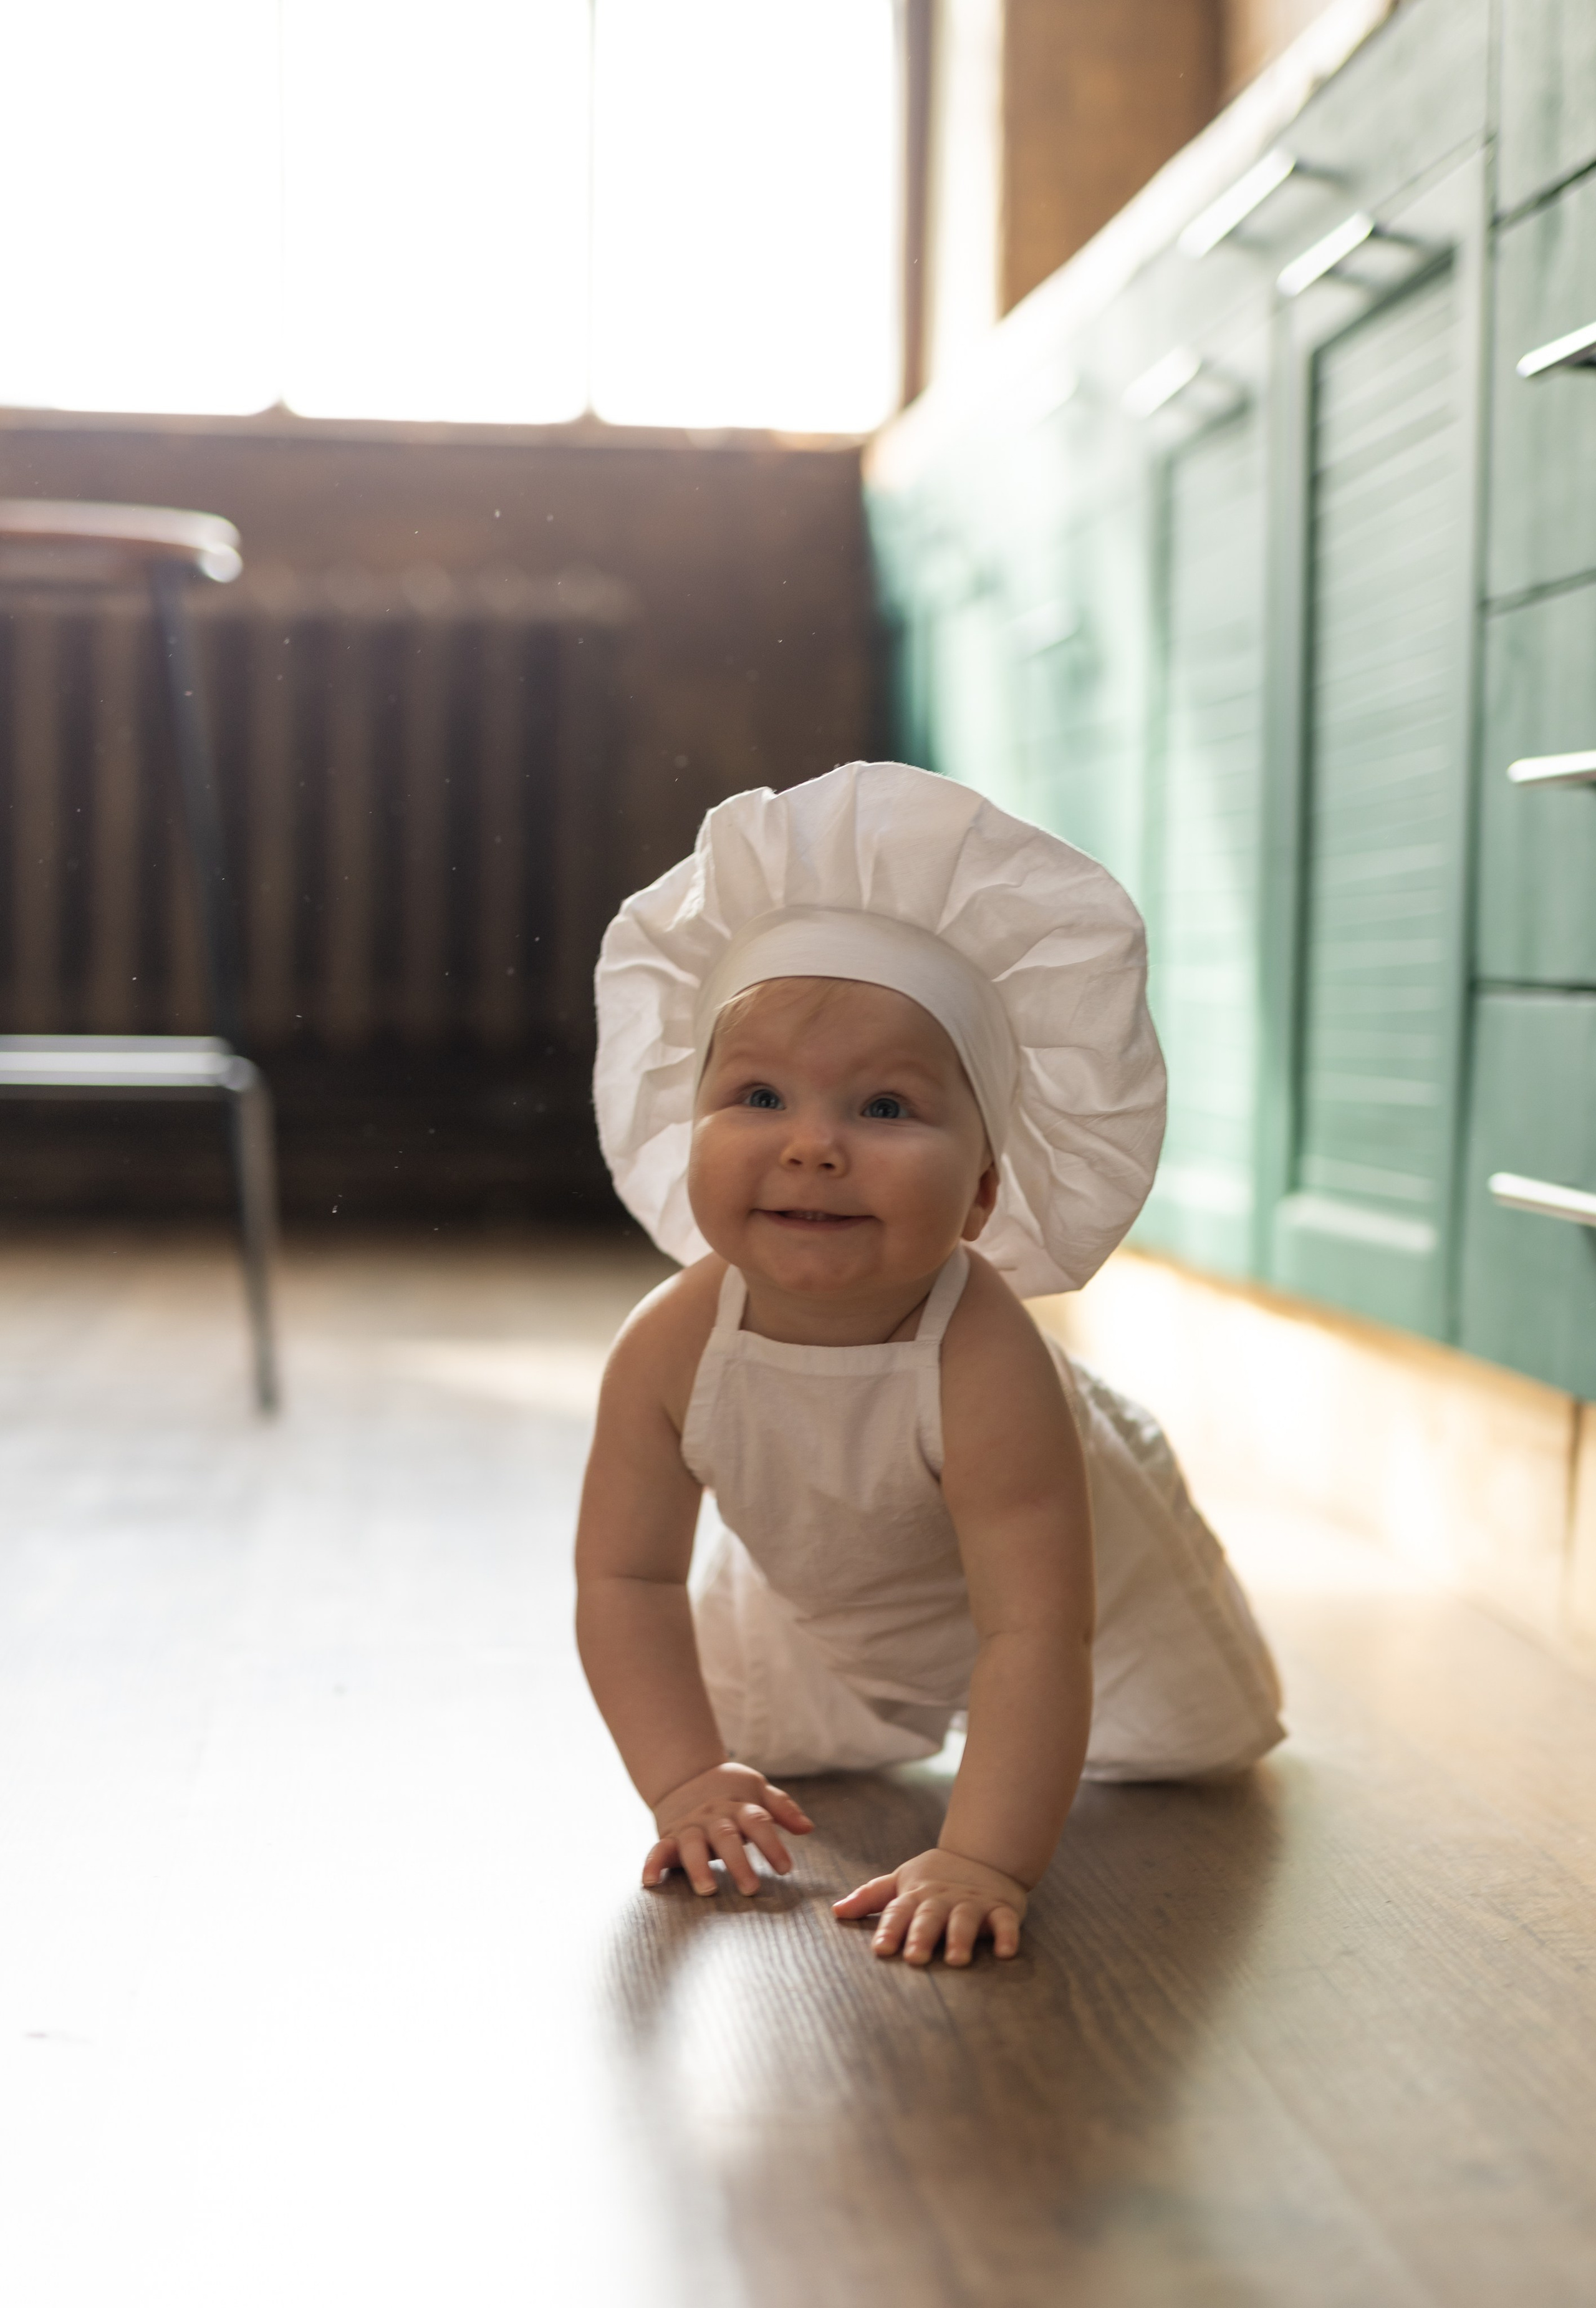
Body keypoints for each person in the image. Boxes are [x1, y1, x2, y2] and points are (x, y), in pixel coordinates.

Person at [576, 762, 1282, 1968]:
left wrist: (982, 1856)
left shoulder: (986, 1360)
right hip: (830, 1582)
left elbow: (1032, 1631)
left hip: (1080, 1599)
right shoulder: (667, 1347)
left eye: (887, 1109)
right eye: (757, 1094)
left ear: (984, 1193)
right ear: (683, 1123)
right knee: (763, 1735)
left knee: (1180, 1756)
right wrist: (685, 1778)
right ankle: (821, 1717)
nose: (813, 1146)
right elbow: (629, 1581)